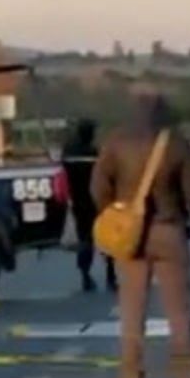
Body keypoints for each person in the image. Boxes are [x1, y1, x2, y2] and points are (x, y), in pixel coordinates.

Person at [91, 90, 190, 378]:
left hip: (131, 236)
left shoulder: (116, 141)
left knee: (131, 312)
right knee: (179, 313)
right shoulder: (176, 143)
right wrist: (177, 206)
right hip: (169, 231)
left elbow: (98, 187)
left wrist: (119, 212)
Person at [63, 118, 117, 293]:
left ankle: (85, 276)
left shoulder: (69, 153)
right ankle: (111, 276)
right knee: (107, 240)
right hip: (98, 201)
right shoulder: (95, 154)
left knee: (85, 239)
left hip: (78, 201)